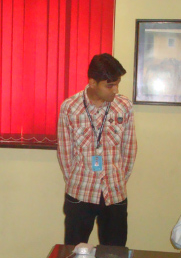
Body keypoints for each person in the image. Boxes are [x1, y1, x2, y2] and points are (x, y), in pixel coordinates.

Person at [57, 53, 137, 247]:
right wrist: (77, 179)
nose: (115, 90)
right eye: (110, 85)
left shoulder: (124, 106)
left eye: (117, 84)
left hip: (114, 192)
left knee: (114, 254)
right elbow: (65, 153)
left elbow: (129, 149)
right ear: (92, 83)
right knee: (74, 252)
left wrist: (118, 178)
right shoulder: (70, 108)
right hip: (80, 192)